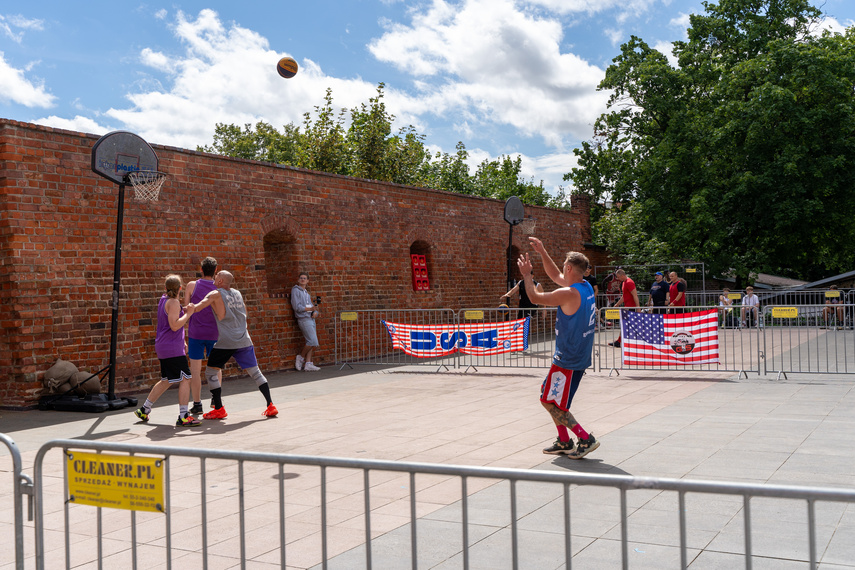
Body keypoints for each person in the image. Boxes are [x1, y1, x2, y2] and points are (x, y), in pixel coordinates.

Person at [522, 237, 599, 459]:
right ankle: (564, 441)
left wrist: (527, 275)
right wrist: (542, 250)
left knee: (548, 401)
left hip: (568, 359)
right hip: (579, 356)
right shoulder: (584, 287)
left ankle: (585, 438)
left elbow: (534, 297)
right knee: (549, 395)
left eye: (564, 265)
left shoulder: (568, 293)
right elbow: (556, 276)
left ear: (569, 267)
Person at [192, 270, 278, 418]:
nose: (215, 275)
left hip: (226, 341)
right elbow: (245, 312)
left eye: (217, 275)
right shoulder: (237, 293)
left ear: (220, 281)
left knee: (211, 372)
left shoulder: (214, 294)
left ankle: (219, 409)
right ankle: (271, 405)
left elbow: (198, 307)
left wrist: (182, 310)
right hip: (244, 339)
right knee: (255, 372)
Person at [134, 275, 201, 427]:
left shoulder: (164, 300)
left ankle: (144, 409)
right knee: (186, 378)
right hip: (171, 347)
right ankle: (184, 416)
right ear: (180, 288)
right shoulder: (174, 302)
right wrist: (189, 314)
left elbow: (170, 318)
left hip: (165, 346)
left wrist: (183, 311)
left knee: (166, 380)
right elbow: (174, 325)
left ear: (165, 288)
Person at [184, 256, 221, 414]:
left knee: (195, 371)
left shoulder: (192, 285)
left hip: (196, 333)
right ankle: (216, 401)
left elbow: (186, 308)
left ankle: (197, 403)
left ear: (201, 270)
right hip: (214, 333)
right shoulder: (219, 289)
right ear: (216, 270)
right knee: (216, 368)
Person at [291, 272, 321, 371]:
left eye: (305, 278)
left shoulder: (306, 293)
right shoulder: (296, 291)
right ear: (298, 280)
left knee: (310, 341)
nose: (303, 279)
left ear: (308, 281)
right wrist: (309, 310)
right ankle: (301, 357)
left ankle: (308, 363)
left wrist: (315, 311)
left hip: (310, 318)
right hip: (303, 318)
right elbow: (296, 307)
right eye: (301, 278)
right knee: (313, 341)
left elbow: (311, 306)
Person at [608, 269, 639, 348]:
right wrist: (617, 304)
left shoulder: (629, 282)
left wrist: (638, 307)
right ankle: (619, 341)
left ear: (622, 275)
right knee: (625, 325)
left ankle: (623, 341)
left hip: (631, 308)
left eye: (618, 277)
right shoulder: (624, 283)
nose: (618, 279)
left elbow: (635, 295)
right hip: (627, 307)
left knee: (630, 325)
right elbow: (624, 296)